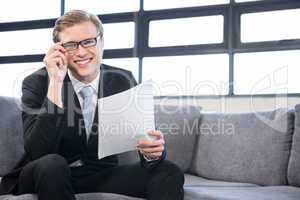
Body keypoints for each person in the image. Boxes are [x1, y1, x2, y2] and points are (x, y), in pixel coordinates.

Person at [0, 10, 184, 200]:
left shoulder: (123, 79)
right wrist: (55, 82)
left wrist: (151, 152)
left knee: (168, 172)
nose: (80, 52)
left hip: (97, 173)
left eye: (88, 41)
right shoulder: (37, 82)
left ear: (102, 42)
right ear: (58, 50)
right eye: (70, 45)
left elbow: (146, 138)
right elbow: (37, 151)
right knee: (53, 164)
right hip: (43, 173)